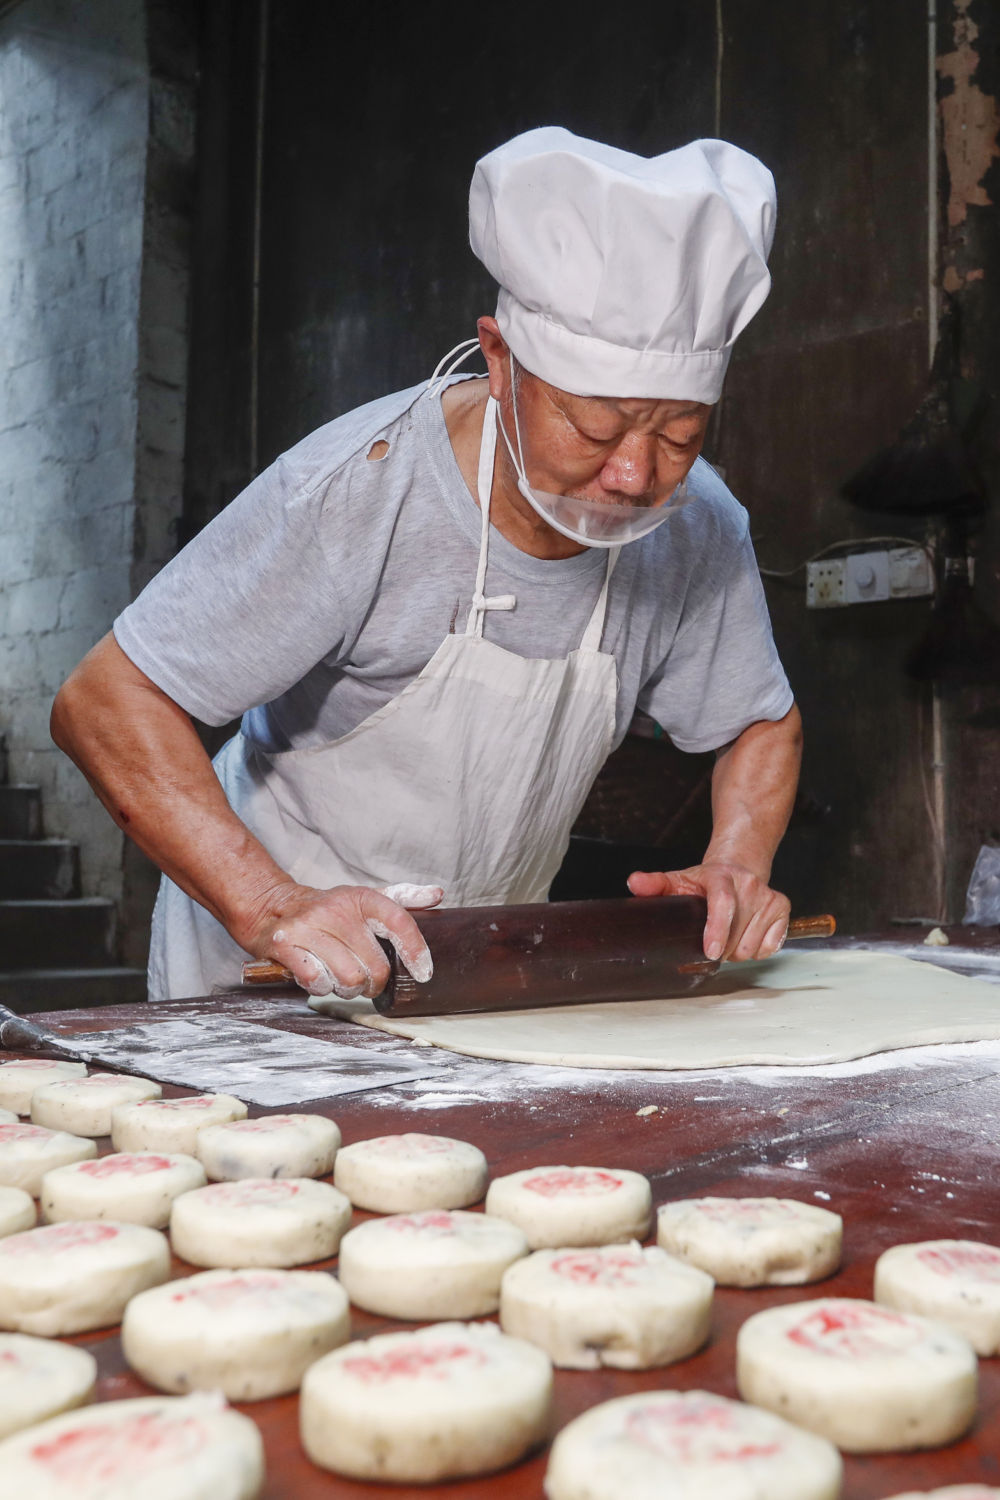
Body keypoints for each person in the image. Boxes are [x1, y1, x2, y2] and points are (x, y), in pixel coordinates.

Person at [51, 126, 802, 1005]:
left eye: (679, 435)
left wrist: (735, 867)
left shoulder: (696, 526)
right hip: (269, 969)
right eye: (595, 430)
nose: (634, 476)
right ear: (498, 358)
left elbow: (761, 722)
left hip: (486, 965)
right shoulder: (356, 494)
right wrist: (269, 903)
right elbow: (104, 702)